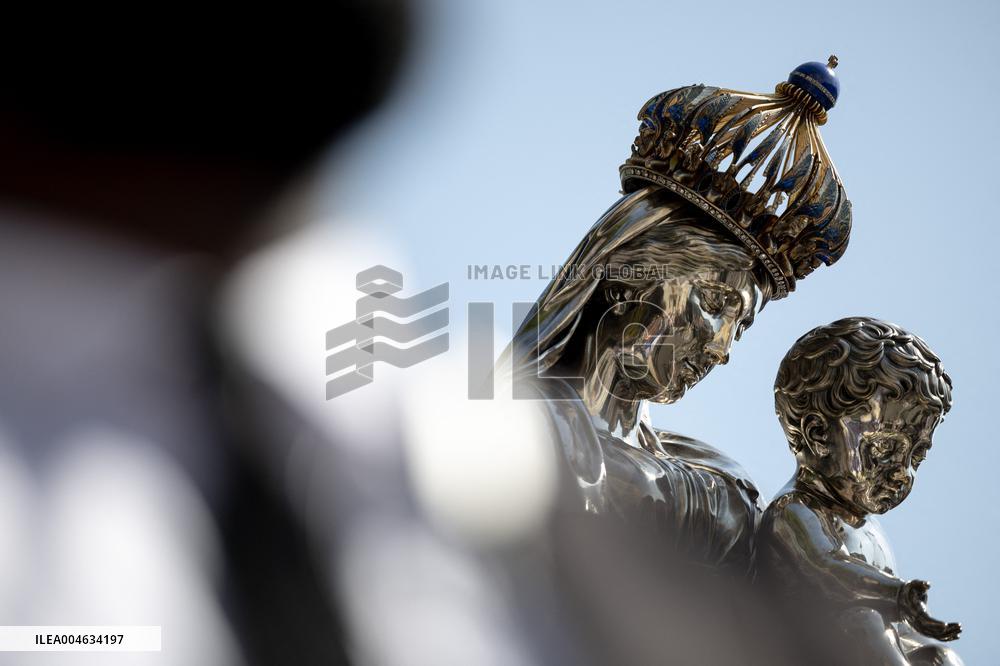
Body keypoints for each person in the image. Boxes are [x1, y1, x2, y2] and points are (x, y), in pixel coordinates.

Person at [757, 317, 963, 665]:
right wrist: (898, 595)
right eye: (885, 448)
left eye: (917, 456)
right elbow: (827, 571)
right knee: (861, 624)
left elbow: (898, 632)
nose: (903, 473)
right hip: (805, 649)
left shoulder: (871, 532)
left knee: (939, 655)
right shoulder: (795, 511)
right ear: (819, 435)